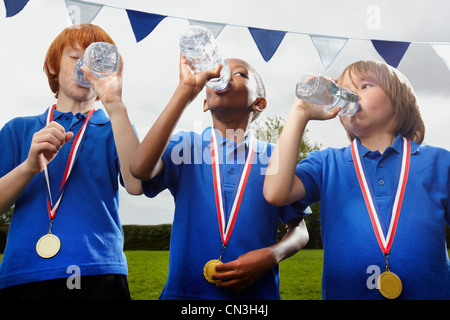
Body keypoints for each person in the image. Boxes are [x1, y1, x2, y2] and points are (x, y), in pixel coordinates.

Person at [263, 60, 450, 299]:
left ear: (398, 100)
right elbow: (275, 192)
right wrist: (300, 112)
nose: (350, 95)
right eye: (345, 89)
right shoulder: (327, 163)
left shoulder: (440, 163)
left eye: (364, 85)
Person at [130, 53, 309, 299]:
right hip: (184, 297)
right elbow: (139, 169)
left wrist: (271, 255)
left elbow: (300, 231)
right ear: (205, 102)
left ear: (259, 103)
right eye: (219, 71)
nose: (223, 76)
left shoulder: (275, 157)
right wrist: (185, 91)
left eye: (240, 73)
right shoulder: (186, 146)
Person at [0, 24, 142, 299]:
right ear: (53, 66)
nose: (85, 67)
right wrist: (29, 166)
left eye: (97, 61)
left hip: (99, 270)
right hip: (23, 272)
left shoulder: (117, 127)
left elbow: (137, 185)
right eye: (77, 58)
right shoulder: (18, 129)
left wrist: (115, 105)